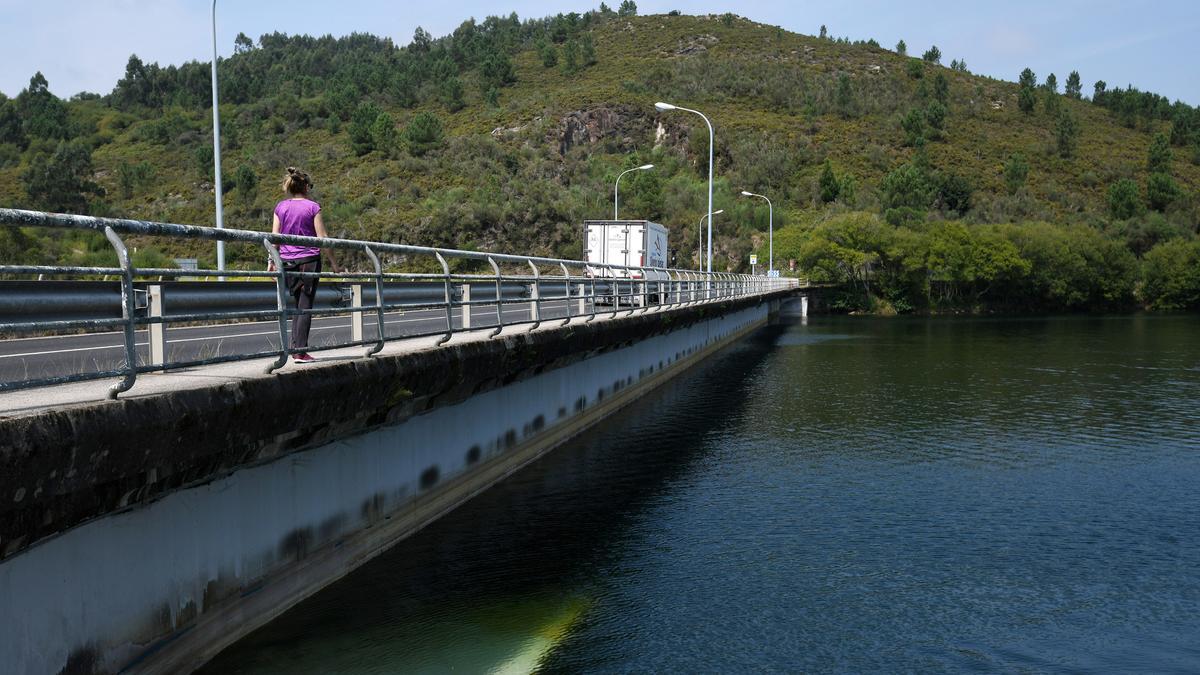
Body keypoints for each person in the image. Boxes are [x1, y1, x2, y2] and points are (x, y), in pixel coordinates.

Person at [269, 167, 339, 363]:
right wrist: (335, 264)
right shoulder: (313, 207)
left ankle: (295, 348)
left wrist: (271, 260)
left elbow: (275, 238)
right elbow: (323, 237)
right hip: (309, 261)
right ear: (306, 186)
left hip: (287, 261)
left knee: (298, 304)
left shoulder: (280, 207)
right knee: (305, 306)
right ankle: (300, 352)